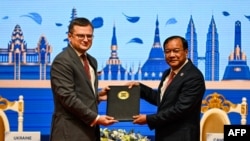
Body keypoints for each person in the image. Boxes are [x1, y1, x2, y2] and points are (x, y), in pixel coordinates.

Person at [50, 17, 118, 141]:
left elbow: (81, 93)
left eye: (89, 36)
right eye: (81, 36)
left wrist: (98, 97)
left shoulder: (92, 61)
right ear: (70, 36)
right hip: (69, 133)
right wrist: (96, 118)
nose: (86, 40)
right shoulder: (62, 61)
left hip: (90, 133)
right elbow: (67, 98)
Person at [127, 35, 206, 141]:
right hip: (164, 135)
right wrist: (140, 88)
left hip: (181, 137)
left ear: (186, 52)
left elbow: (180, 110)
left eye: (176, 51)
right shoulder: (168, 73)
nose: (172, 55)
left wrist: (149, 119)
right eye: (167, 51)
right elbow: (163, 100)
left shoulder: (193, 76)